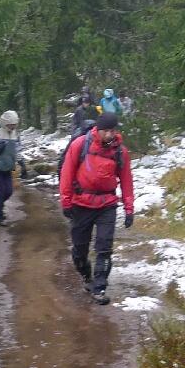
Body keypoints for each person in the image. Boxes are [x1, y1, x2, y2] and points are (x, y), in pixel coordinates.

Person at [60, 111, 135, 305]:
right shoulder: (80, 145)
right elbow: (67, 174)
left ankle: (100, 287)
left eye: (112, 130)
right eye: (105, 131)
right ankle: (86, 275)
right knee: (80, 249)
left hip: (107, 205)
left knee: (104, 247)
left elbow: (126, 180)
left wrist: (129, 208)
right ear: (97, 129)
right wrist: (66, 201)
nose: (109, 134)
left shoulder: (120, 152)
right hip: (81, 204)